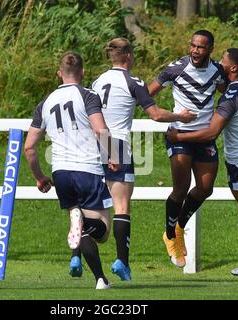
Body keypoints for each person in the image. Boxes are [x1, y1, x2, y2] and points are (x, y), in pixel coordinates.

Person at [68, 37, 196, 281]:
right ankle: (121, 262)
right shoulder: (133, 81)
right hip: (116, 145)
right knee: (121, 206)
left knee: (87, 208)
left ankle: (76, 255)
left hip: (92, 146)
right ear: (128, 57)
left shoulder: (97, 80)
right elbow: (156, 115)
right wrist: (181, 116)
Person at [166, 48, 238, 275]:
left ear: (233, 68)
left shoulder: (231, 96)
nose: (218, 64)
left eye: (223, 61)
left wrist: (179, 137)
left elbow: (211, 133)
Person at [24, 51, 119, 289]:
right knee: (103, 231)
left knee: (81, 225)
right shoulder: (87, 95)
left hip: (60, 172)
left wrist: (39, 177)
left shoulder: (45, 102)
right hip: (86, 168)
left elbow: (29, 148)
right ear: (83, 72)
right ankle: (83, 228)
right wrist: (113, 155)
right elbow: (100, 130)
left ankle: (101, 279)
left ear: (59, 73)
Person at [147, 30, 227, 268]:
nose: (195, 50)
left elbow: (227, 91)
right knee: (180, 189)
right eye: (192, 45)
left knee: (205, 188)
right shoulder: (175, 68)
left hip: (204, 137)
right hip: (178, 136)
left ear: (210, 48)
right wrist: (170, 116)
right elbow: (147, 94)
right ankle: (170, 235)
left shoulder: (217, 71)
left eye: (201, 47)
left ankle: (179, 227)